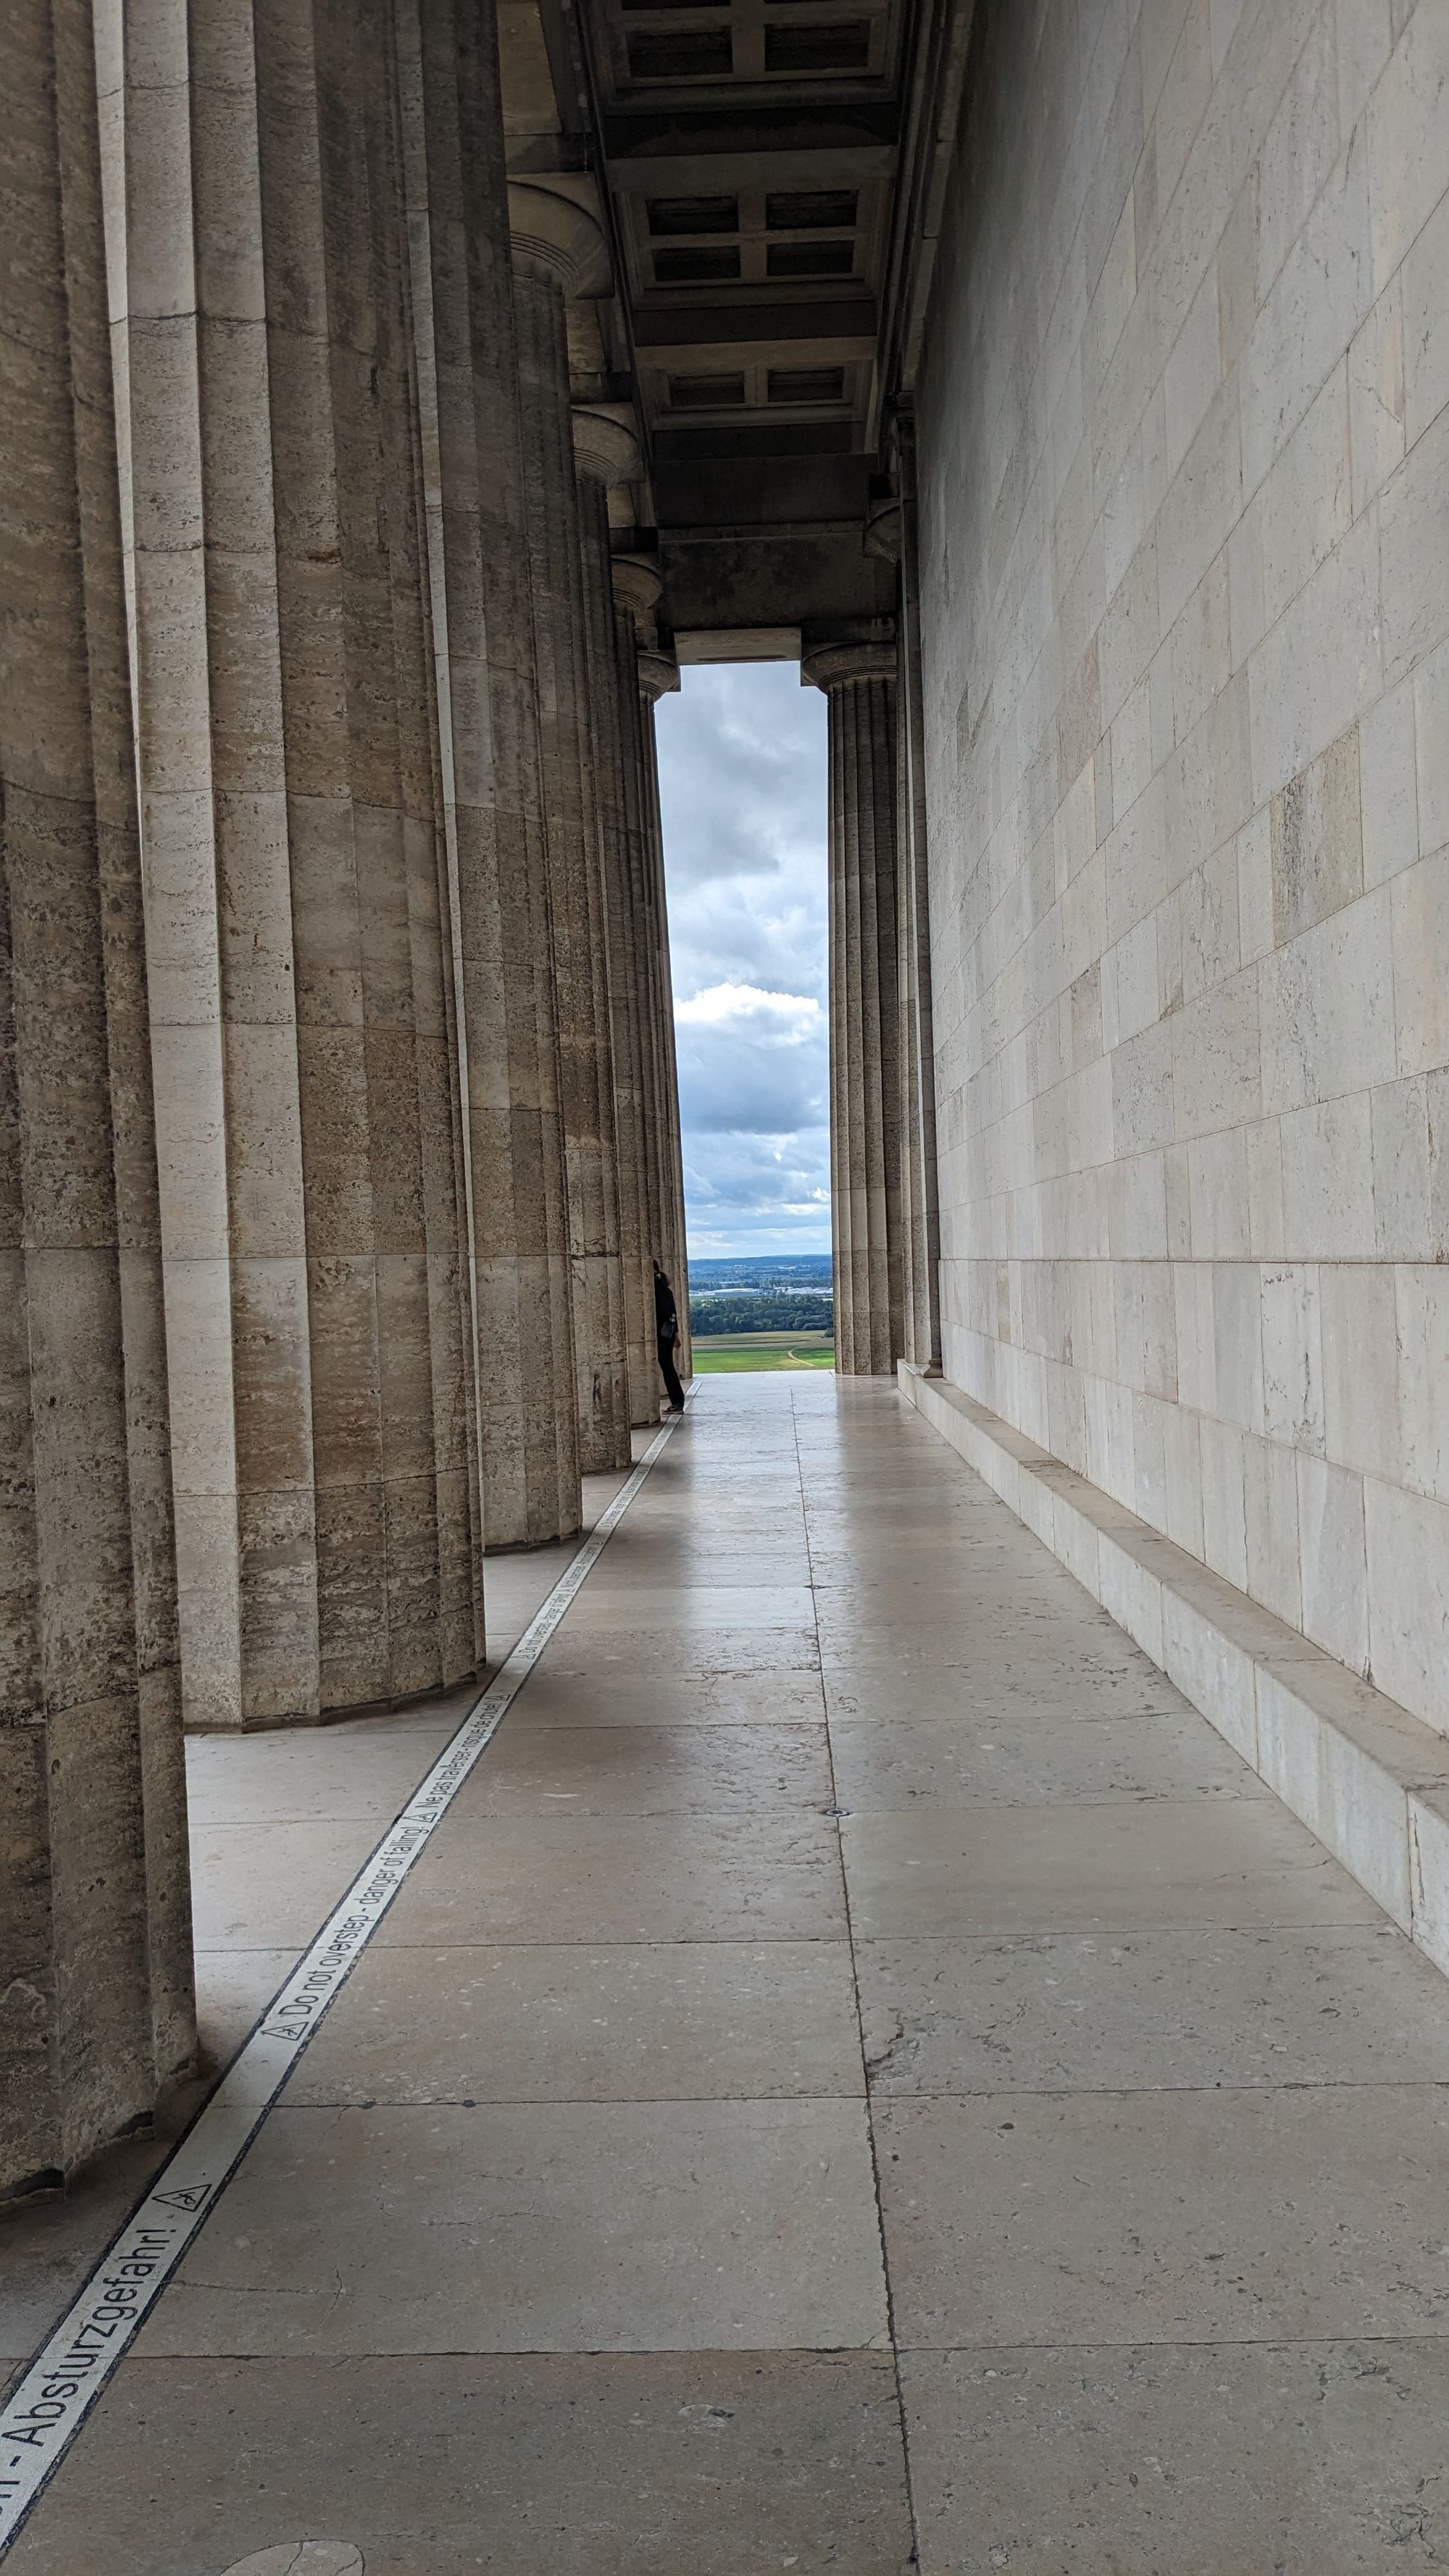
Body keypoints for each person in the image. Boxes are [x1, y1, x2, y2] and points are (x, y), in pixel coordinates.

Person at [653, 1260, 685, 1413]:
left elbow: (663, 1314)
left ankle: (677, 1402)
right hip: (668, 1334)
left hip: (661, 1335)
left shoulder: (655, 1289)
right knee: (668, 1367)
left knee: (667, 1368)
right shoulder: (666, 1289)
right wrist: (676, 1336)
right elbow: (673, 1315)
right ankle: (678, 1402)